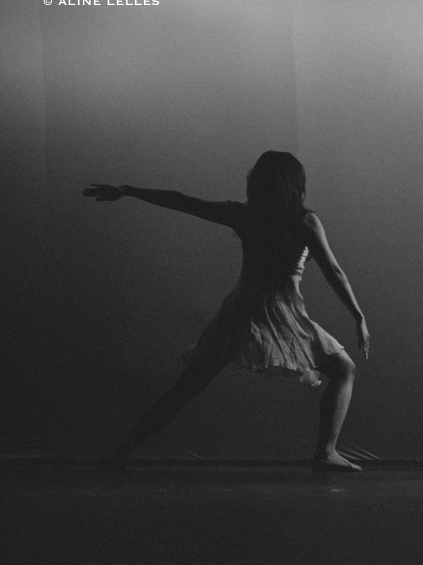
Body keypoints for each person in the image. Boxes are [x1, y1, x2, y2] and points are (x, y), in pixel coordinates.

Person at [83, 151, 370, 472]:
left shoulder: (245, 215)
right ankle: (326, 452)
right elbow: (334, 271)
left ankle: (120, 454)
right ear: (296, 186)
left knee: (185, 388)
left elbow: (184, 201)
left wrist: (128, 190)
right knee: (344, 369)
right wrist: (357, 316)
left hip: (241, 312)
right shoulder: (304, 222)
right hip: (279, 313)